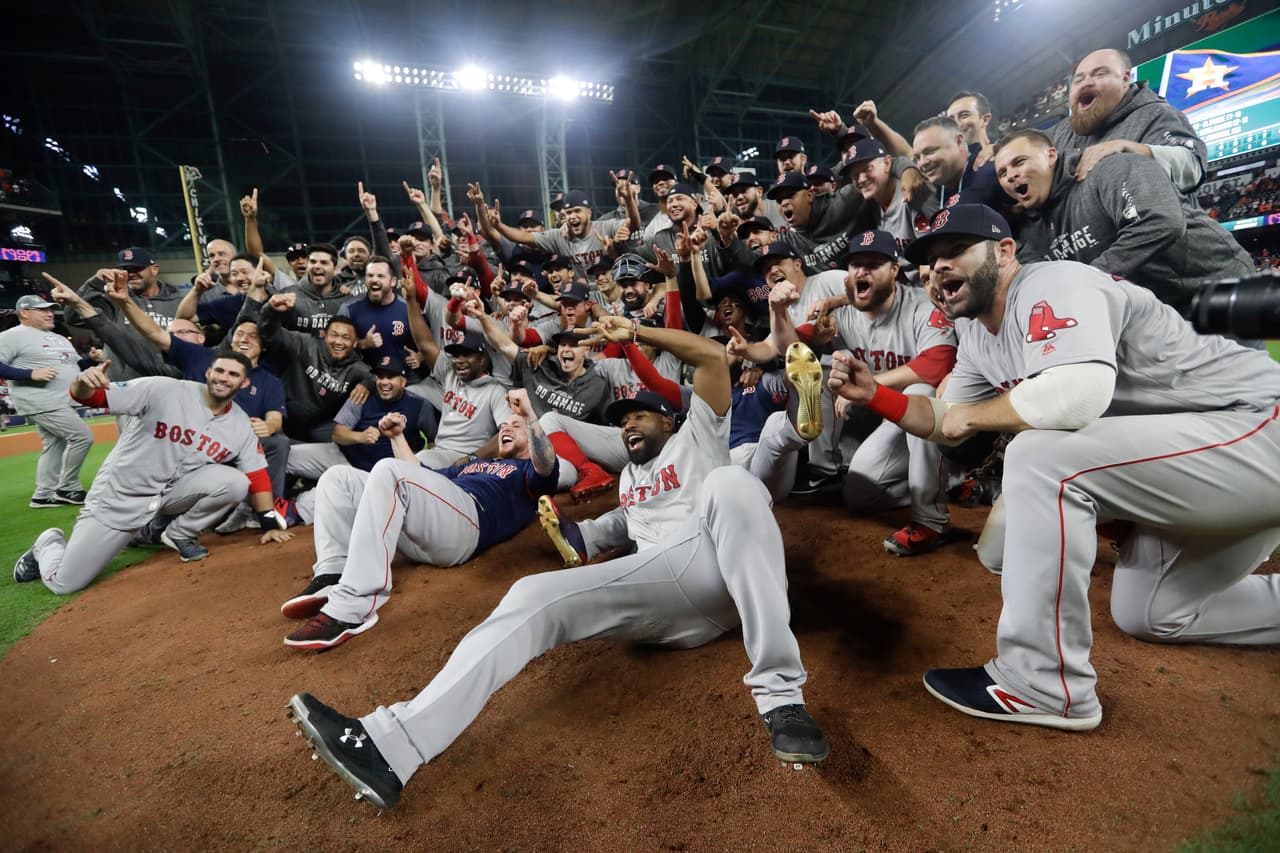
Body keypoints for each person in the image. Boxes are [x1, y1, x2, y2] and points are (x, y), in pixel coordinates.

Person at [286, 315, 829, 810]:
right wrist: (567, 534)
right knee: (532, 594)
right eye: (623, 421)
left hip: (720, 553)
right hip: (672, 598)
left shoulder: (699, 436)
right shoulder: (631, 486)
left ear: (670, 420)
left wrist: (633, 336)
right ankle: (394, 744)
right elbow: (594, 535)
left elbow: (711, 358)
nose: (629, 425)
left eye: (641, 415)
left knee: (735, 480)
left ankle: (781, 695)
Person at [829, 204, 1280, 732]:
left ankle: (1041, 684)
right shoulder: (976, 333)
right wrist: (875, 395)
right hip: (1209, 463)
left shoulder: (1055, 284)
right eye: (930, 261)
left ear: (1004, 252)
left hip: (1256, 428)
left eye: (955, 252)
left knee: (1041, 455)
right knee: (1151, 612)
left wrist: (971, 418)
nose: (938, 269)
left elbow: (1075, 396)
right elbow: (947, 419)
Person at [279, 387, 557, 649]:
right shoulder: (474, 465)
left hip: (468, 527)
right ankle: (333, 572)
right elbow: (420, 477)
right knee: (338, 477)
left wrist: (530, 416)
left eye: (515, 426)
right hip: (434, 525)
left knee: (388, 470)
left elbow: (546, 464)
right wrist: (397, 438)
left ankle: (353, 606)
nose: (506, 428)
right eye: (503, 426)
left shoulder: (529, 473)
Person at [13, 353, 292, 590]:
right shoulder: (163, 389)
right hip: (120, 496)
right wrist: (82, 383)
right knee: (66, 583)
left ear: (243, 383)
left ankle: (180, 533)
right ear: (209, 372)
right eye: (219, 370)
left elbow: (256, 476)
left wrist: (268, 523)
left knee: (234, 482)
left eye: (232, 374)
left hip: (168, 496)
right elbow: (93, 397)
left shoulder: (241, 424)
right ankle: (48, 544)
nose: (223, 377)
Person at [993, 129, 1251, 309]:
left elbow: (1161, 220)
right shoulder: (1028, 232)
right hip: (1162, 308)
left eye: (1019, 162)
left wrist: (1087, 280)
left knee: (1240, 384)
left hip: (1217, 285)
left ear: (1051, 155)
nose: (1011, 175)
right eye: (1003, 172)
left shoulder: (1110, 168)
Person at [1050, 48, 1206, 193]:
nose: (1086, 83)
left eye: (1100, 74)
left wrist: (1128, 149)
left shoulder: (1156, 113)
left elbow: (1192, 167)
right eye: (1078, 80)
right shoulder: (1063, 131)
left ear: (1125, 79)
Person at [0, 293, 94, 507]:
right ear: (24, 313)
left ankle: (43, 495)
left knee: (54, 446)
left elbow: (76, 366)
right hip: (40, 399)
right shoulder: (12, 335)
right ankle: (68, 488)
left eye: (50, 309)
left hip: (62, 399)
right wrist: (30, 374)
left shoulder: (59, 338)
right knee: (82, 437)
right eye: (42, 310)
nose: (50, 313)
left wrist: (92, 361)